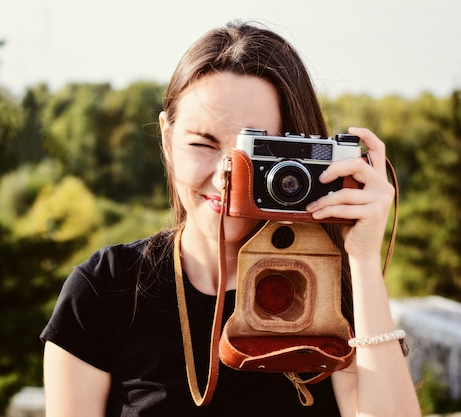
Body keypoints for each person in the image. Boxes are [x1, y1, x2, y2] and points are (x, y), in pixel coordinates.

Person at [40, 20, 421, 416]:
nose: (227, 176)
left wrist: (361, 261)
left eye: (256, 151)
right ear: (167, 140)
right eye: (203, 144)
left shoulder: (328, 292)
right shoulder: (105, 290)